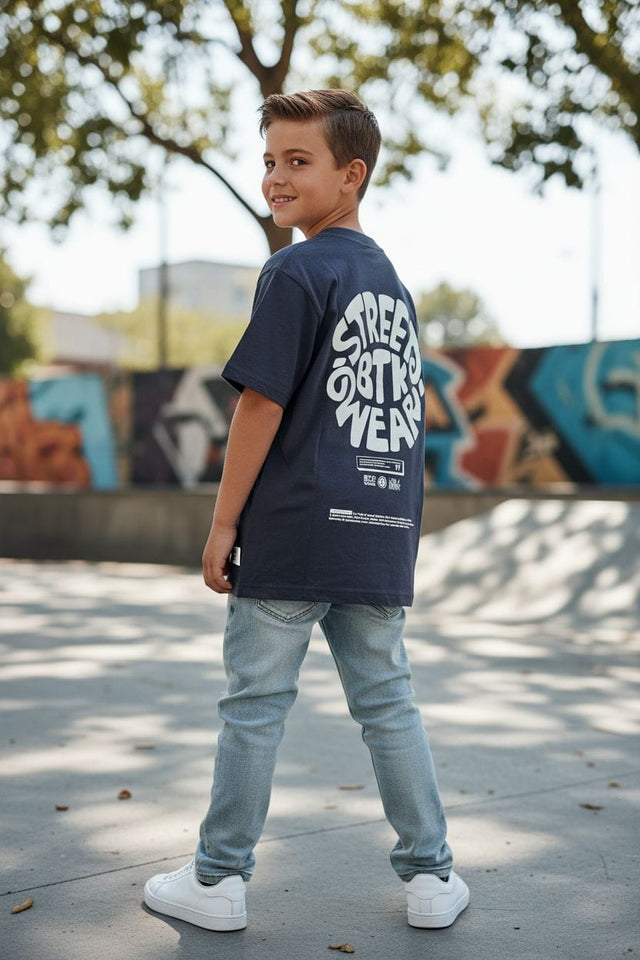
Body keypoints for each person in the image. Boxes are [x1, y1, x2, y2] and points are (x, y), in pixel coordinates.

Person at [144, 89, 469, 933]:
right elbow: (399, 420)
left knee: (254, 705)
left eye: (298, 161)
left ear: (351, 175)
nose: (275, 178)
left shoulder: (295, 270)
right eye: (269, 161)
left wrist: (224, 523)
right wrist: (399, 530)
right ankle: (432, 876)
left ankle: (218, 880)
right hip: (377, 536)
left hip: (293, 533)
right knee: (389, 704)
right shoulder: (391, 285)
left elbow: (260, 404)